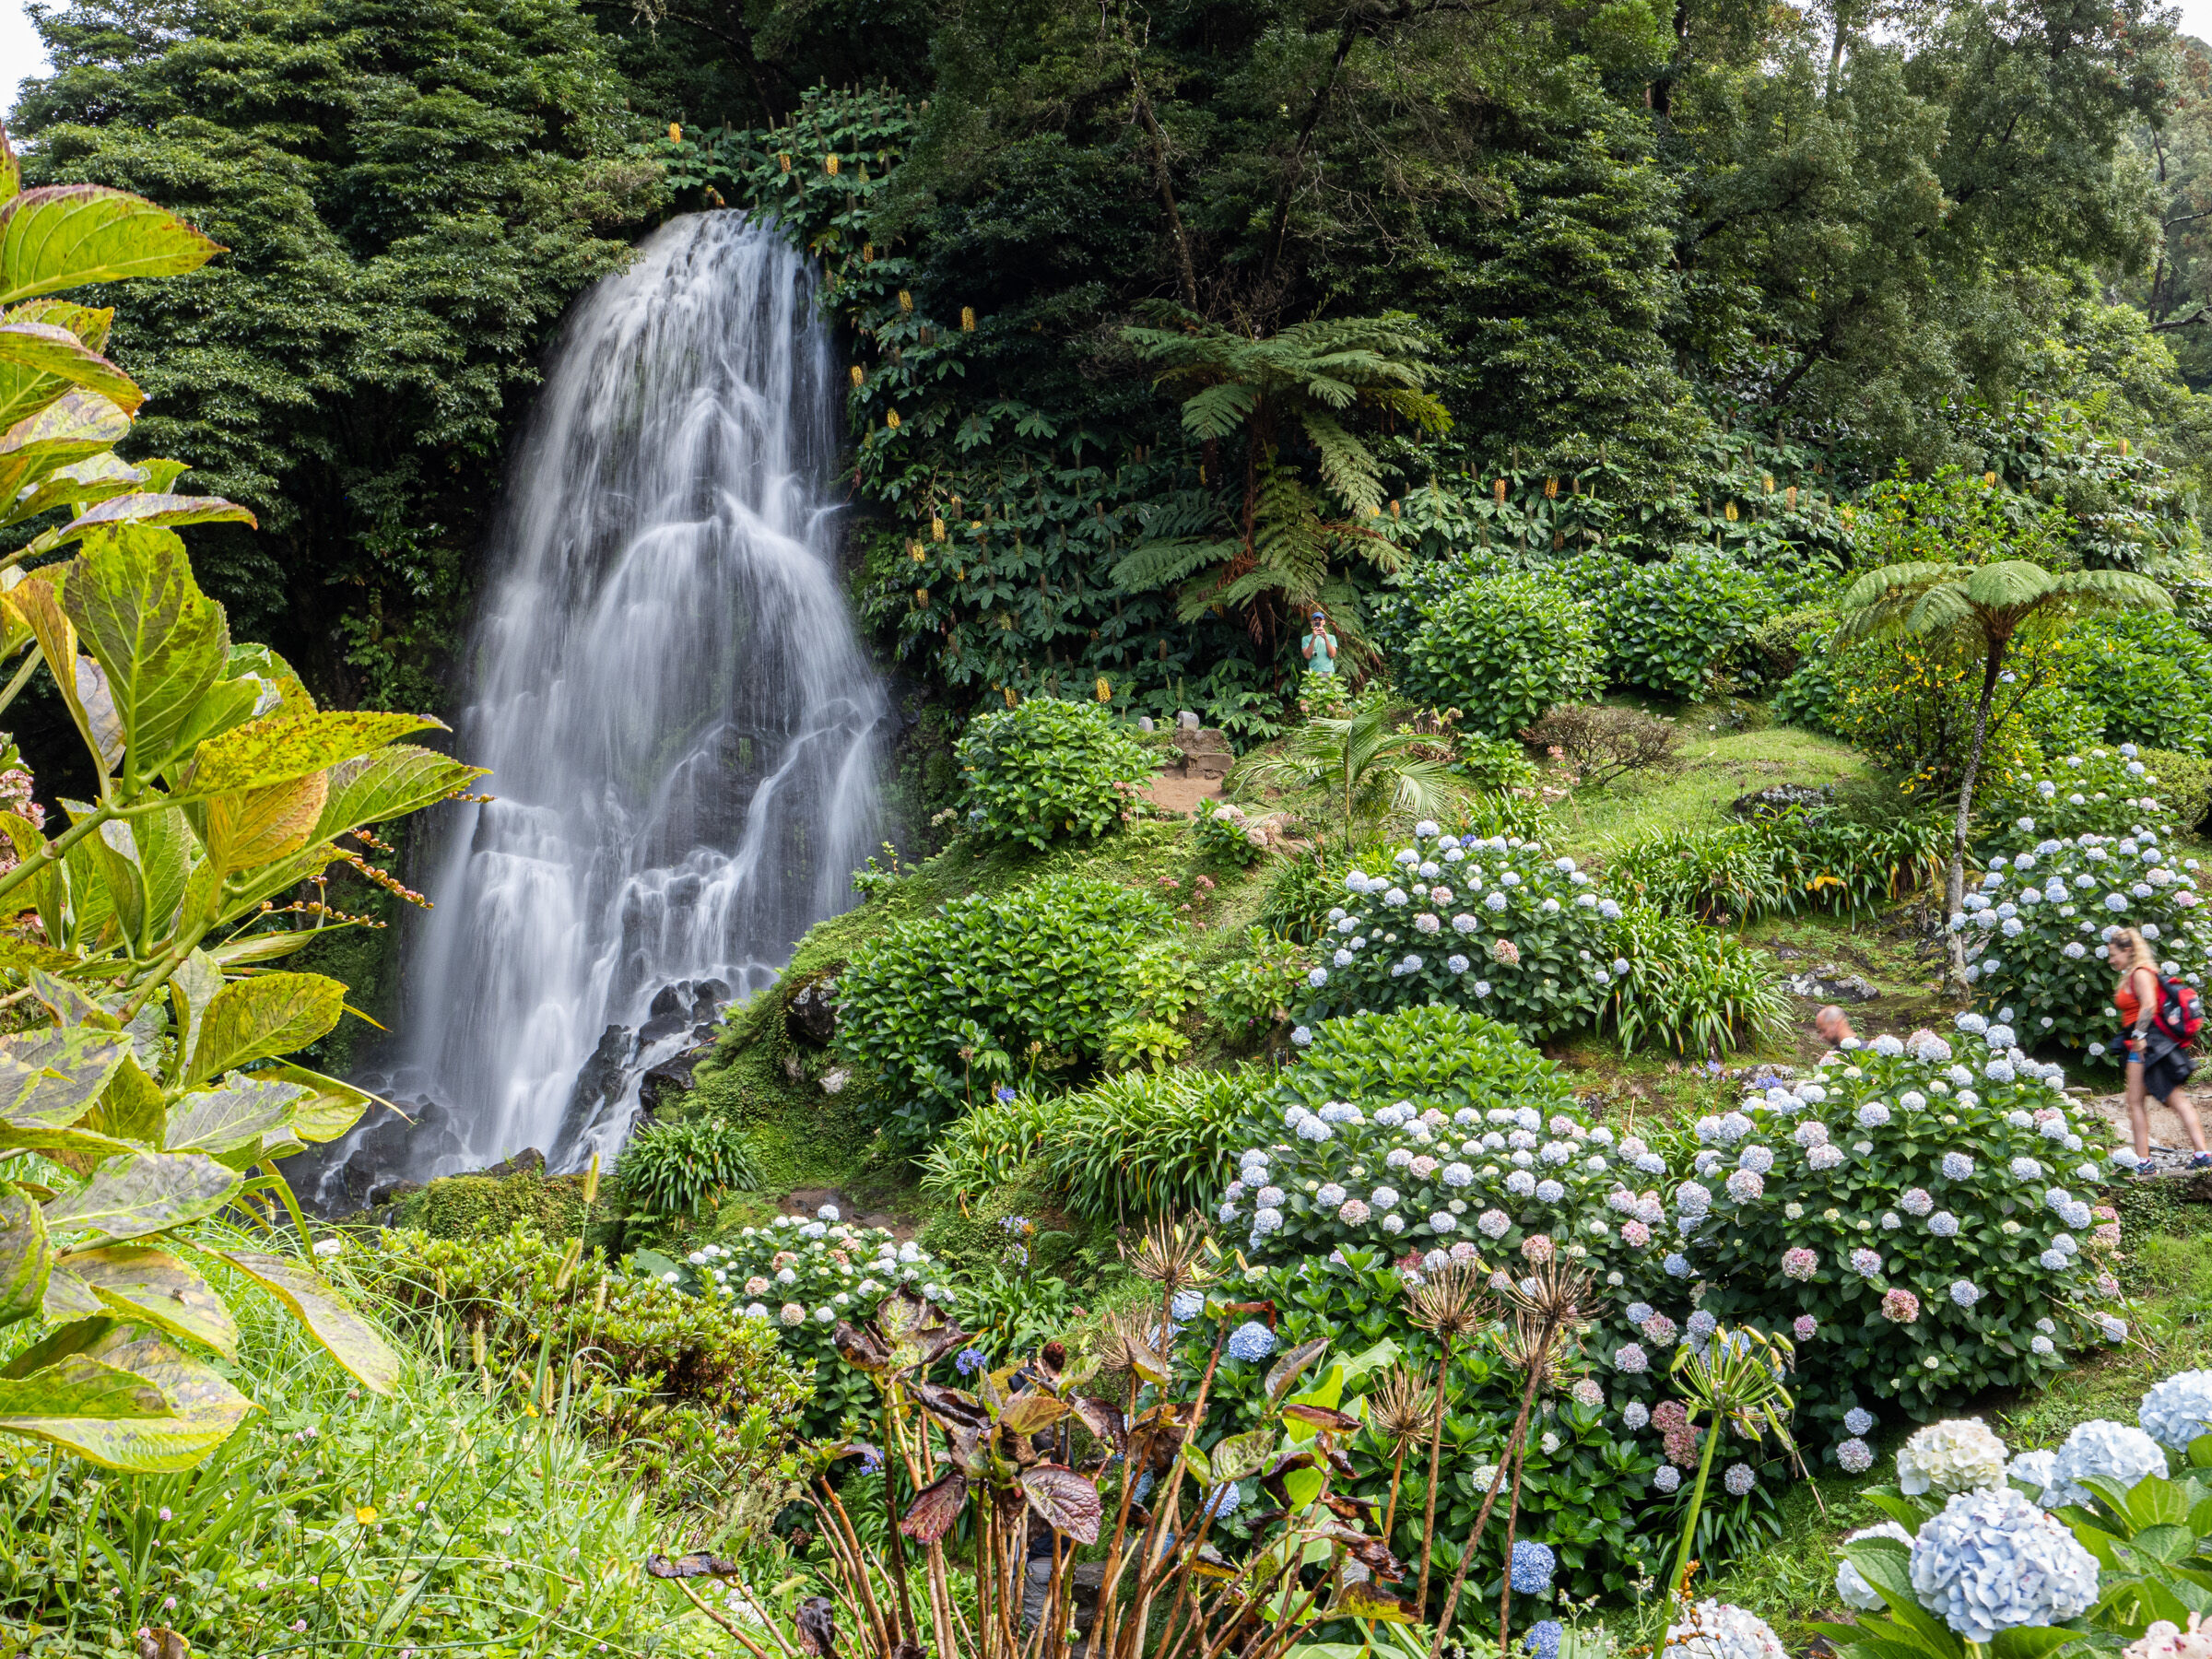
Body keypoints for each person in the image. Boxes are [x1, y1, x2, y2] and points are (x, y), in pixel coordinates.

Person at [2106, 927, 2212, 1171]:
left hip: (2147, 1044)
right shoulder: (2134, 973)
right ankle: (2157, 1159)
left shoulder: (2141, 973)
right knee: (2141, 1100)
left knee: (2165, 1100)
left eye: (2113, 954)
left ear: (2128, 950)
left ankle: (2153, 1160)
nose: (2111, 960)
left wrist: (2139, 1036)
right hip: (2146, 1044)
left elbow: (2149, 1005)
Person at [1301, 608, 1338, 677]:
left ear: (1324, 622)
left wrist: (1325, 638)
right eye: (1315, 620)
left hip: (1328, 673)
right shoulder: (1306, 638)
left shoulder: (1331, 638)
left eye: (1320, 620)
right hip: (1313, 674)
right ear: (1312, 622)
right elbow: (1307, 656)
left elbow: (1332, 655)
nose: (1318, 622)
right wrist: (1313, 638)